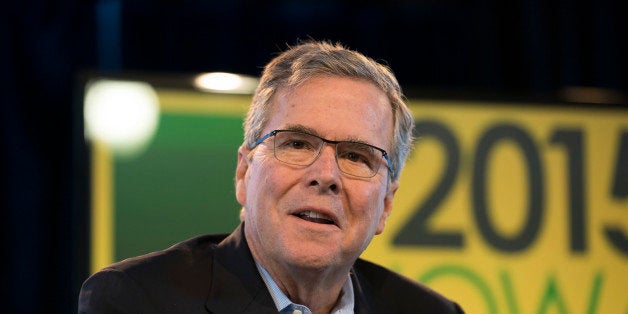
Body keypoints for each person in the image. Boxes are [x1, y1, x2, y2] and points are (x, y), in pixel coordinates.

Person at [78, 40, 464, 313]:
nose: (325, 175)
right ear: (244, 172)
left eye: (356, 156)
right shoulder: (139, 300)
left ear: (386, 205)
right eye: (296, 144)